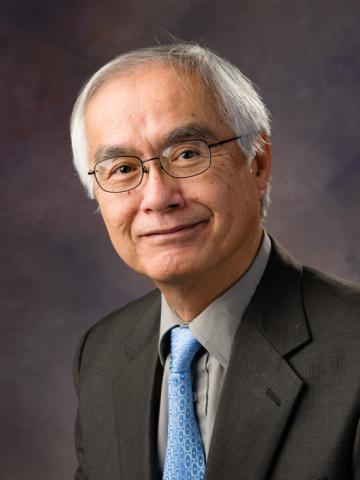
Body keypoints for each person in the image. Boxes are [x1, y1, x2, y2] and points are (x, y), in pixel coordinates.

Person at [70, 43, 360, 480]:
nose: (158, 198)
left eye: (187, 154)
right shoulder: (102, 354)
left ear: (257, 165)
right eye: (123, 169)